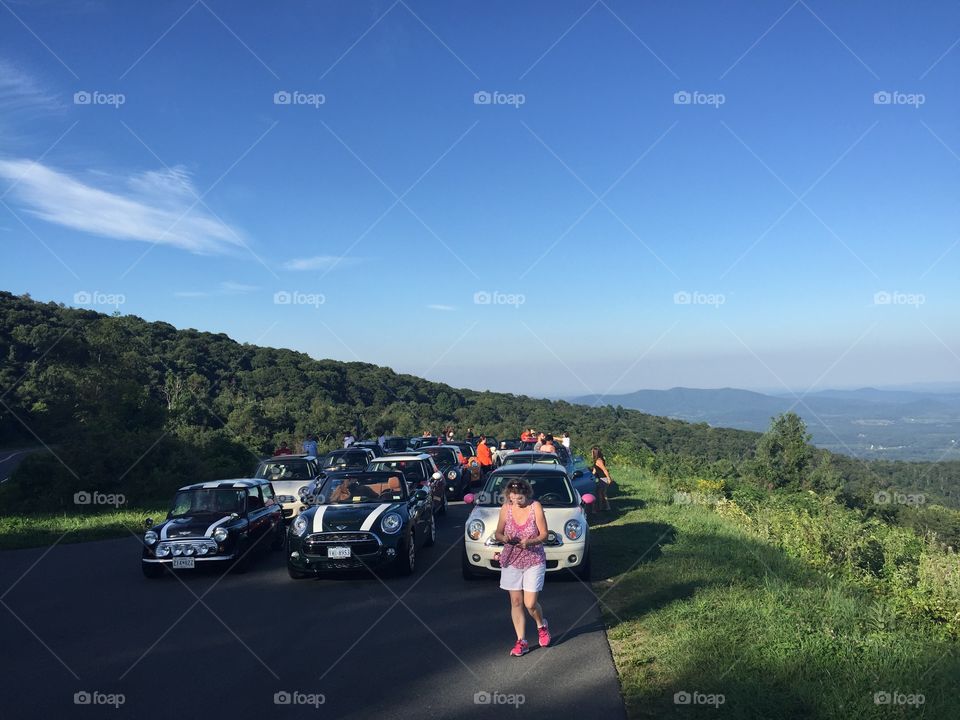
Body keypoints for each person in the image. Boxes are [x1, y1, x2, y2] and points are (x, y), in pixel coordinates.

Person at [495, 477, 550, 656]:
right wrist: (504, 538)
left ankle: (541, 625)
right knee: (516, 601)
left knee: (530, 603)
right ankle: (522, 641)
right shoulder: (506, 509)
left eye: (520, 498)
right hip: (512, 559)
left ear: (526, 494)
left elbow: (544, 534)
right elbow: (498, 532)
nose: (516, 502)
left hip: (533, 559)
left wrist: (531, 541)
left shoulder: (536, 507)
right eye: (513, 498)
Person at [591, 446, 612, 512]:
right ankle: (604, 507)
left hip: (603, 478)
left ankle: (602, 507)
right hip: (601, 478)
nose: (591, 453)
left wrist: (609, 478)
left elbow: (604, 470)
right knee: (601, 493)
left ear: (595, 453)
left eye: (592, 452)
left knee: (601, 493)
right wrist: (591, 476)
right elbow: (595, 470)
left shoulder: (598, 461)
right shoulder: (597, 460)